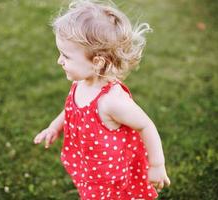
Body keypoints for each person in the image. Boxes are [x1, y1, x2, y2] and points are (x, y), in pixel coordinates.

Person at [34, 0, 170, 199]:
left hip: (109, 176)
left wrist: (157, 165)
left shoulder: (112, 101)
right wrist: (54, 127)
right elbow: (71, 110)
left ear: (97, 62)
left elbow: (146, 126)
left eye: (66, 56)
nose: (59, 60)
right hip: (88, 167)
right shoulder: (81, 83)